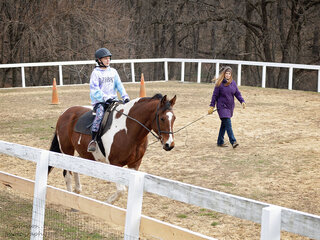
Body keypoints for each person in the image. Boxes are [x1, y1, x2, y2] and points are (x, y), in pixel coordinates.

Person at [87, 48, 130, 152]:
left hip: (113, 100)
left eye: (109, 58)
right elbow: (94, 90)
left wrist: (125, 96)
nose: (108, 60)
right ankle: (94, 139)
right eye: (105, 58)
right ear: (99, 60)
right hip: (100, 102)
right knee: (100, 115)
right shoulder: (95, 73)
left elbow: (119, 85)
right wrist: (105, 98)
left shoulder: (113, 72)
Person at [208, 66, 246, 148]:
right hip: (222, 107)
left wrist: (242, 101)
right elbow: (214, 96)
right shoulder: (219, 84)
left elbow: (237, 93)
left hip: (230, 107)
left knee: (224, 124)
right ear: (224, 74)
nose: (228, 75)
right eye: (226, 73)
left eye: (229, 73)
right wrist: (211, 106)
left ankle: (220, 141)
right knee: (228, 123)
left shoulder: (233, 83)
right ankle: (233, 141)